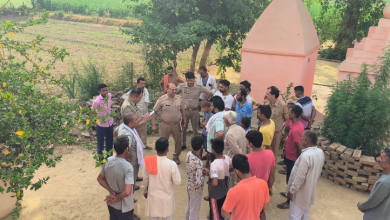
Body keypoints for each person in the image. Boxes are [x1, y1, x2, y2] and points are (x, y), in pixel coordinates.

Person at [286, 131, 325, 220]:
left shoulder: (305, 156)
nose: (300, 140)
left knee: (295, 216)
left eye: (302, 138)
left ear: (306, 140)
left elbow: (299, 177)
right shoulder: (319, 152)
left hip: (299, 193)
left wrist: (291, 191)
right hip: (309, 190)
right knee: (304, 215)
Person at [143, 138, 181, 220]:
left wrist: (145, 191)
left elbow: (145, 180)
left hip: (153, 198)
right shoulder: (171, 164)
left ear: (155, 148)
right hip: (167, 200)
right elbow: (177, 181)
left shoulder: (149, 162)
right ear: (168, 149)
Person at [97, 135, 134, 220]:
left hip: (112, 204)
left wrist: (112, 193)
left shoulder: (108, 160)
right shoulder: (128, 166)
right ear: (126, 149)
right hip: (125, 207)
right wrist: (117, 197)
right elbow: (127, 192)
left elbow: (100, 178)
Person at [221, 154, 269, 220]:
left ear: (237, 171)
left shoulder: (234, 191)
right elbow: (265, 207)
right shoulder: (263, 184)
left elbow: (224, 214)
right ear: (249, 166)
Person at [114, 112, 148, 195]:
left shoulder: (123, 126)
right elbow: (126, 149)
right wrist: (129, 158)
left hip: (131, 160)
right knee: (130, 181)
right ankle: (129, 200)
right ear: (130, 123)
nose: (139, 120)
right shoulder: (127, 134)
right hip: (131, 162)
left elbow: (115, 132)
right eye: (136, 119)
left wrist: (117, 138)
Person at [152, 83, 187, 165]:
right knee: (162, 142)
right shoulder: (161, 99)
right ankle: (162, 158)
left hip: (176, 125)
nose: (174, 91)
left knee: (178, 141)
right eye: (172, 89)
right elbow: (154, 111)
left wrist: (184, 122)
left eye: (175, 89)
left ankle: (176, 157)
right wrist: (154, 124)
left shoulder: (179, 98)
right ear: (167, 89)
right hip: (165, 125)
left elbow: (183, 111)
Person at [277, 105, 304, 210]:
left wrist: (298, 160)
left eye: (289, 112)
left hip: (293, 159)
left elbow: (298, 146)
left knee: (290, 179)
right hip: (289, 156)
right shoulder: (297, 125)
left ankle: (289, 201)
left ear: (293, 115)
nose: (287, 113)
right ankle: (288, 192)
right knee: (289, 178)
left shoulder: (296, 129)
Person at [177, 72, 212, 150]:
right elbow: (174, 92)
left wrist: (203, 101)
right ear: (186, 79)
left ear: (194, 79)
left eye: (191, 80)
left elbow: (210, 93)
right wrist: (178, 101)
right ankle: (183, 144)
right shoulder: (182, 86)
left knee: (195, 129)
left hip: (195, 111)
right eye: (188, 80)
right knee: (183, 128)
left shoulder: (199, 87)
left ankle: (196, 145)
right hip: (185, 111)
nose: (189, 82)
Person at [246, 130, 275, 220]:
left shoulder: (247, 158)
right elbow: (272, 174)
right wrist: (269, 187)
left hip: (251, 191)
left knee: (250, 212)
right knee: (261, 211)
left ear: (251, 144)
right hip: (263, 188)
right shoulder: (270, 153)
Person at [358, 147, 390, 220]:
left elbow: (372, 202)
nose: (378, 159)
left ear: (389, 164)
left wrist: (360, 206)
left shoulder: (384, 182)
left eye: (381, 158)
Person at [120, 78, 152, 150]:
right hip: (133, 134)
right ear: (134, 97)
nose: (140, 99)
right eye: (140, 98)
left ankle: (143, 144)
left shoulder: (133, 103)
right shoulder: (127, 106)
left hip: (137, 130)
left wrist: (143, 116)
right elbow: (130, 124)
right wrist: (143, 121)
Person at [185, 136, 209, 220]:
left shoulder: (189, 154)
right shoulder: (199, 162)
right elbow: (199, 181)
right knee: (194, 212)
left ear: (191, 145)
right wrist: (204, 174)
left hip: (189, 185)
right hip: (196, 189)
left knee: (189, 208)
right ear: (202, 146)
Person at [208, 138, 232, 220]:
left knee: (215, 215)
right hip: (224, 191)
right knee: (221, 212)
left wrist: (210, 186)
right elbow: (232, 167)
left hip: (215, 194)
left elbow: (214, 182)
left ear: (213, 151)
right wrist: (227, 170)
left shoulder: (214, 164)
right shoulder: (227, 158)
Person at [223, 111, 247, 187]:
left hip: (233, 164)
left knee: (232, 186)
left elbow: (237, 151)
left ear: (226, 121)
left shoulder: (230, 134)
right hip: (241, 162)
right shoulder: (241, 128)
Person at [265, 86, 289, 161]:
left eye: (268, 94)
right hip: (267, 133)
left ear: (273, 96)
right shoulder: (266, 104)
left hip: (276, 134)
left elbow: (286, 118)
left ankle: (272, 171)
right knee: (265, 152)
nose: (266, 96)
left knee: (273, 154)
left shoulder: (282, 106)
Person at [92, 84, 114, 157]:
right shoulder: (97, 101)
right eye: (103, 91)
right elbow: (93, 112)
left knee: (110, 142)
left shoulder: (109, 96)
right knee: (100, 144)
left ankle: (109, 158)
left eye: (106, 90)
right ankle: (101, 160)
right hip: (101, 125)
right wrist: (96, 121)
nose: (105, 92)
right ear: (99, 92)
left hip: (110, 123)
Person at [201, 101, 214, 168]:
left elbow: (210, 126)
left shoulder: (212, 115)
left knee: (208, 149)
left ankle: (207, 163)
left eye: (203, 108)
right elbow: (203, 118)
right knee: (202, 146)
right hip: (204, 132)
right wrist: (203, 121)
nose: (202, 109)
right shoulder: (205, 112)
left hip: (208, 134)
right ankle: (200, 158)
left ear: (207, 107)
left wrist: (205, 124)